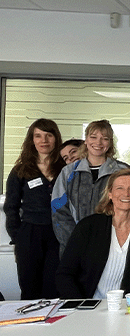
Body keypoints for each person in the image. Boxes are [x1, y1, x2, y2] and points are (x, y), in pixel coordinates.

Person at [55, 168, 130, 299]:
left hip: (127, 307)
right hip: (87, 306)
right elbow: (65, 274)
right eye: (119, 188)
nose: (126, 194)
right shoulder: (88, 227)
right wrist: (81, 305)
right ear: (110, 193)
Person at [4, 119, 65, 299]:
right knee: (30, 287)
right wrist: (18, 237)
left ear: (56, 138)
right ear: (31, 140)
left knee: (54, 288)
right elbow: (11, 207)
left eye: (48, 135)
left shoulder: (65, 169)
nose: (43, 140)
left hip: (58, 234)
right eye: (38, 136)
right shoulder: (20, 171)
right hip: (29, 234)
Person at [52, 120, 129, 257]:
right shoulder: (68, 172)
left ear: (110, 143)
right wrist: (76, 242)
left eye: (105, 138)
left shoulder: (123, 172)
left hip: (113, 249)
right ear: (86, 140)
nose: (98, 143)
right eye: (93, 137)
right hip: (74, 248)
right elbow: (59, 211)